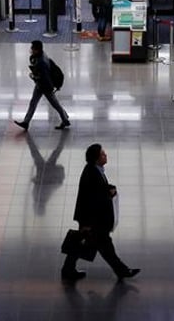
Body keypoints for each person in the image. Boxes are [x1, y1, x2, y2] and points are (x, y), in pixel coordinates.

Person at [61, 143, 140, 281]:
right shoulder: (92, 173)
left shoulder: (95, 170)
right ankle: (122, 271)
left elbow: (98, 189)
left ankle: (68, 270)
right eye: (103, 154)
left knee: (92, 246)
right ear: (96, 158)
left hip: (94, 220)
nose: (105, 155)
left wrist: (109, 189)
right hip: (93, 221)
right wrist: (86, 223)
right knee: (103, 247)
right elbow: (90, 198)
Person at [14, 40, 70, 131]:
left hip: (45, 87)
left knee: (55, 104)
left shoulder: (42, 62)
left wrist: (34, 77)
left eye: (32, 48)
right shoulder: (41, 55)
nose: (31, 49)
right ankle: (26, 122)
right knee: (33, 103)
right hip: (40, 85)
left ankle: (65, 119)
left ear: (37, 49)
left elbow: (45, 77)